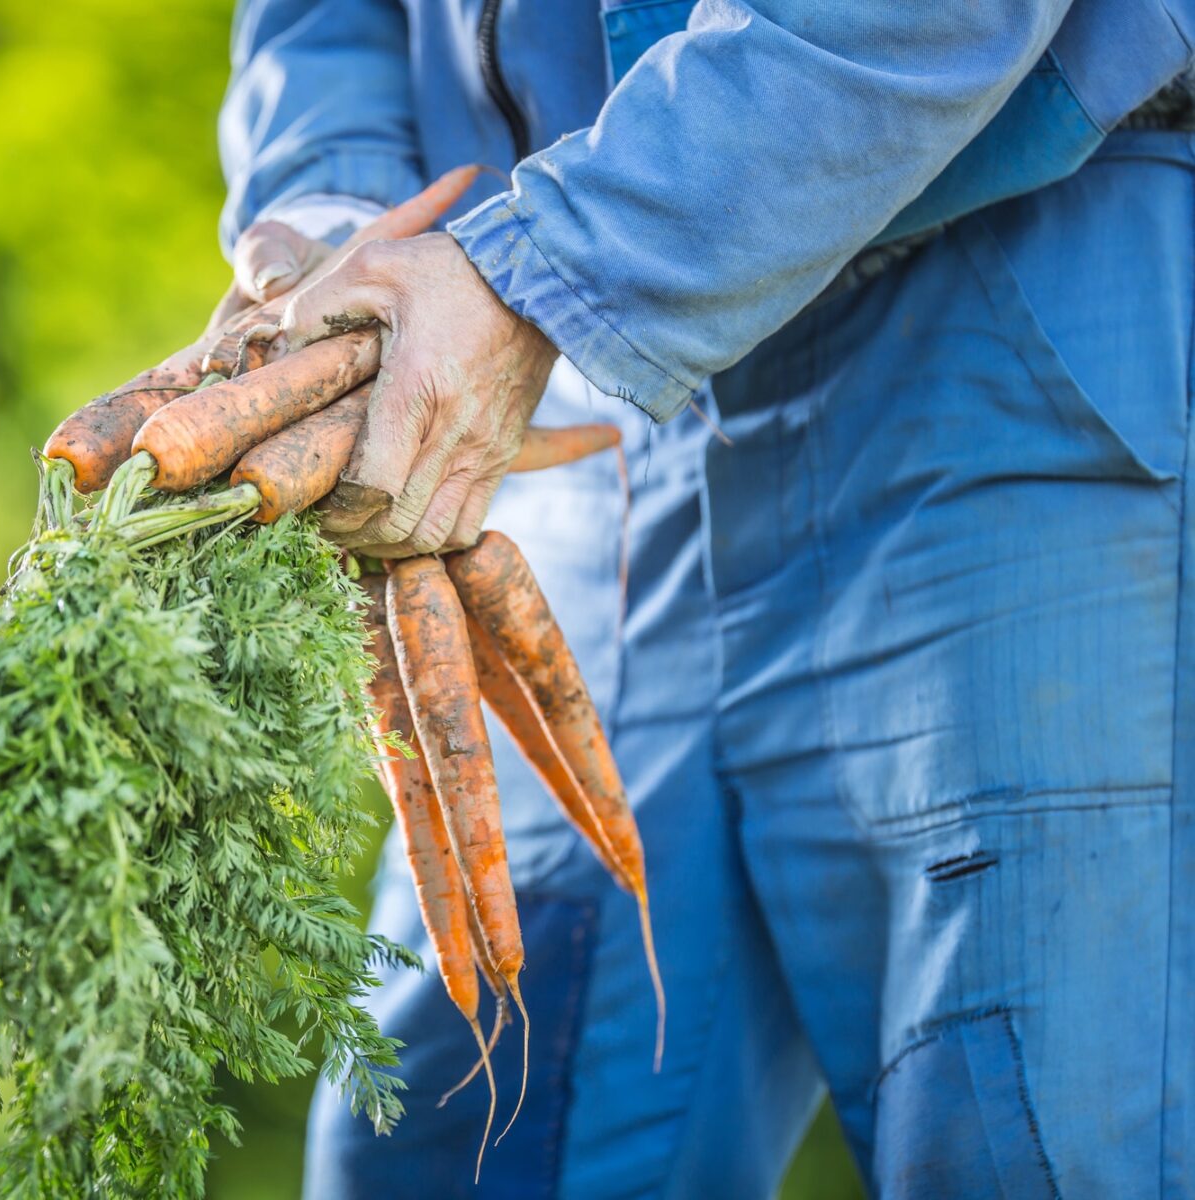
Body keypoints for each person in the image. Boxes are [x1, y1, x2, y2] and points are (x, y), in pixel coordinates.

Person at [211, 0, 1195, 1195]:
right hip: (559, 385)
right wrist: (336, 220)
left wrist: (563, 258)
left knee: (1030, 1139)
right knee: (458, 1138)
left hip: (1002, 289)